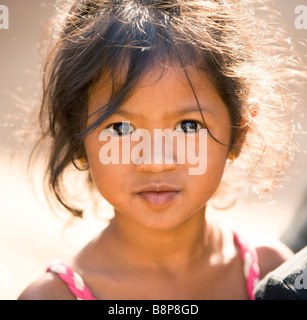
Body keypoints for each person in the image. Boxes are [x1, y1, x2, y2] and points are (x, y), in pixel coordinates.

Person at [18, 0, 304, 300]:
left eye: (189, 126)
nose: (155, 162)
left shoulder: (273, 275)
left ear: (238, 134)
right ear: (78, 139)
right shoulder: (53, 297)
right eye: (120, 129)